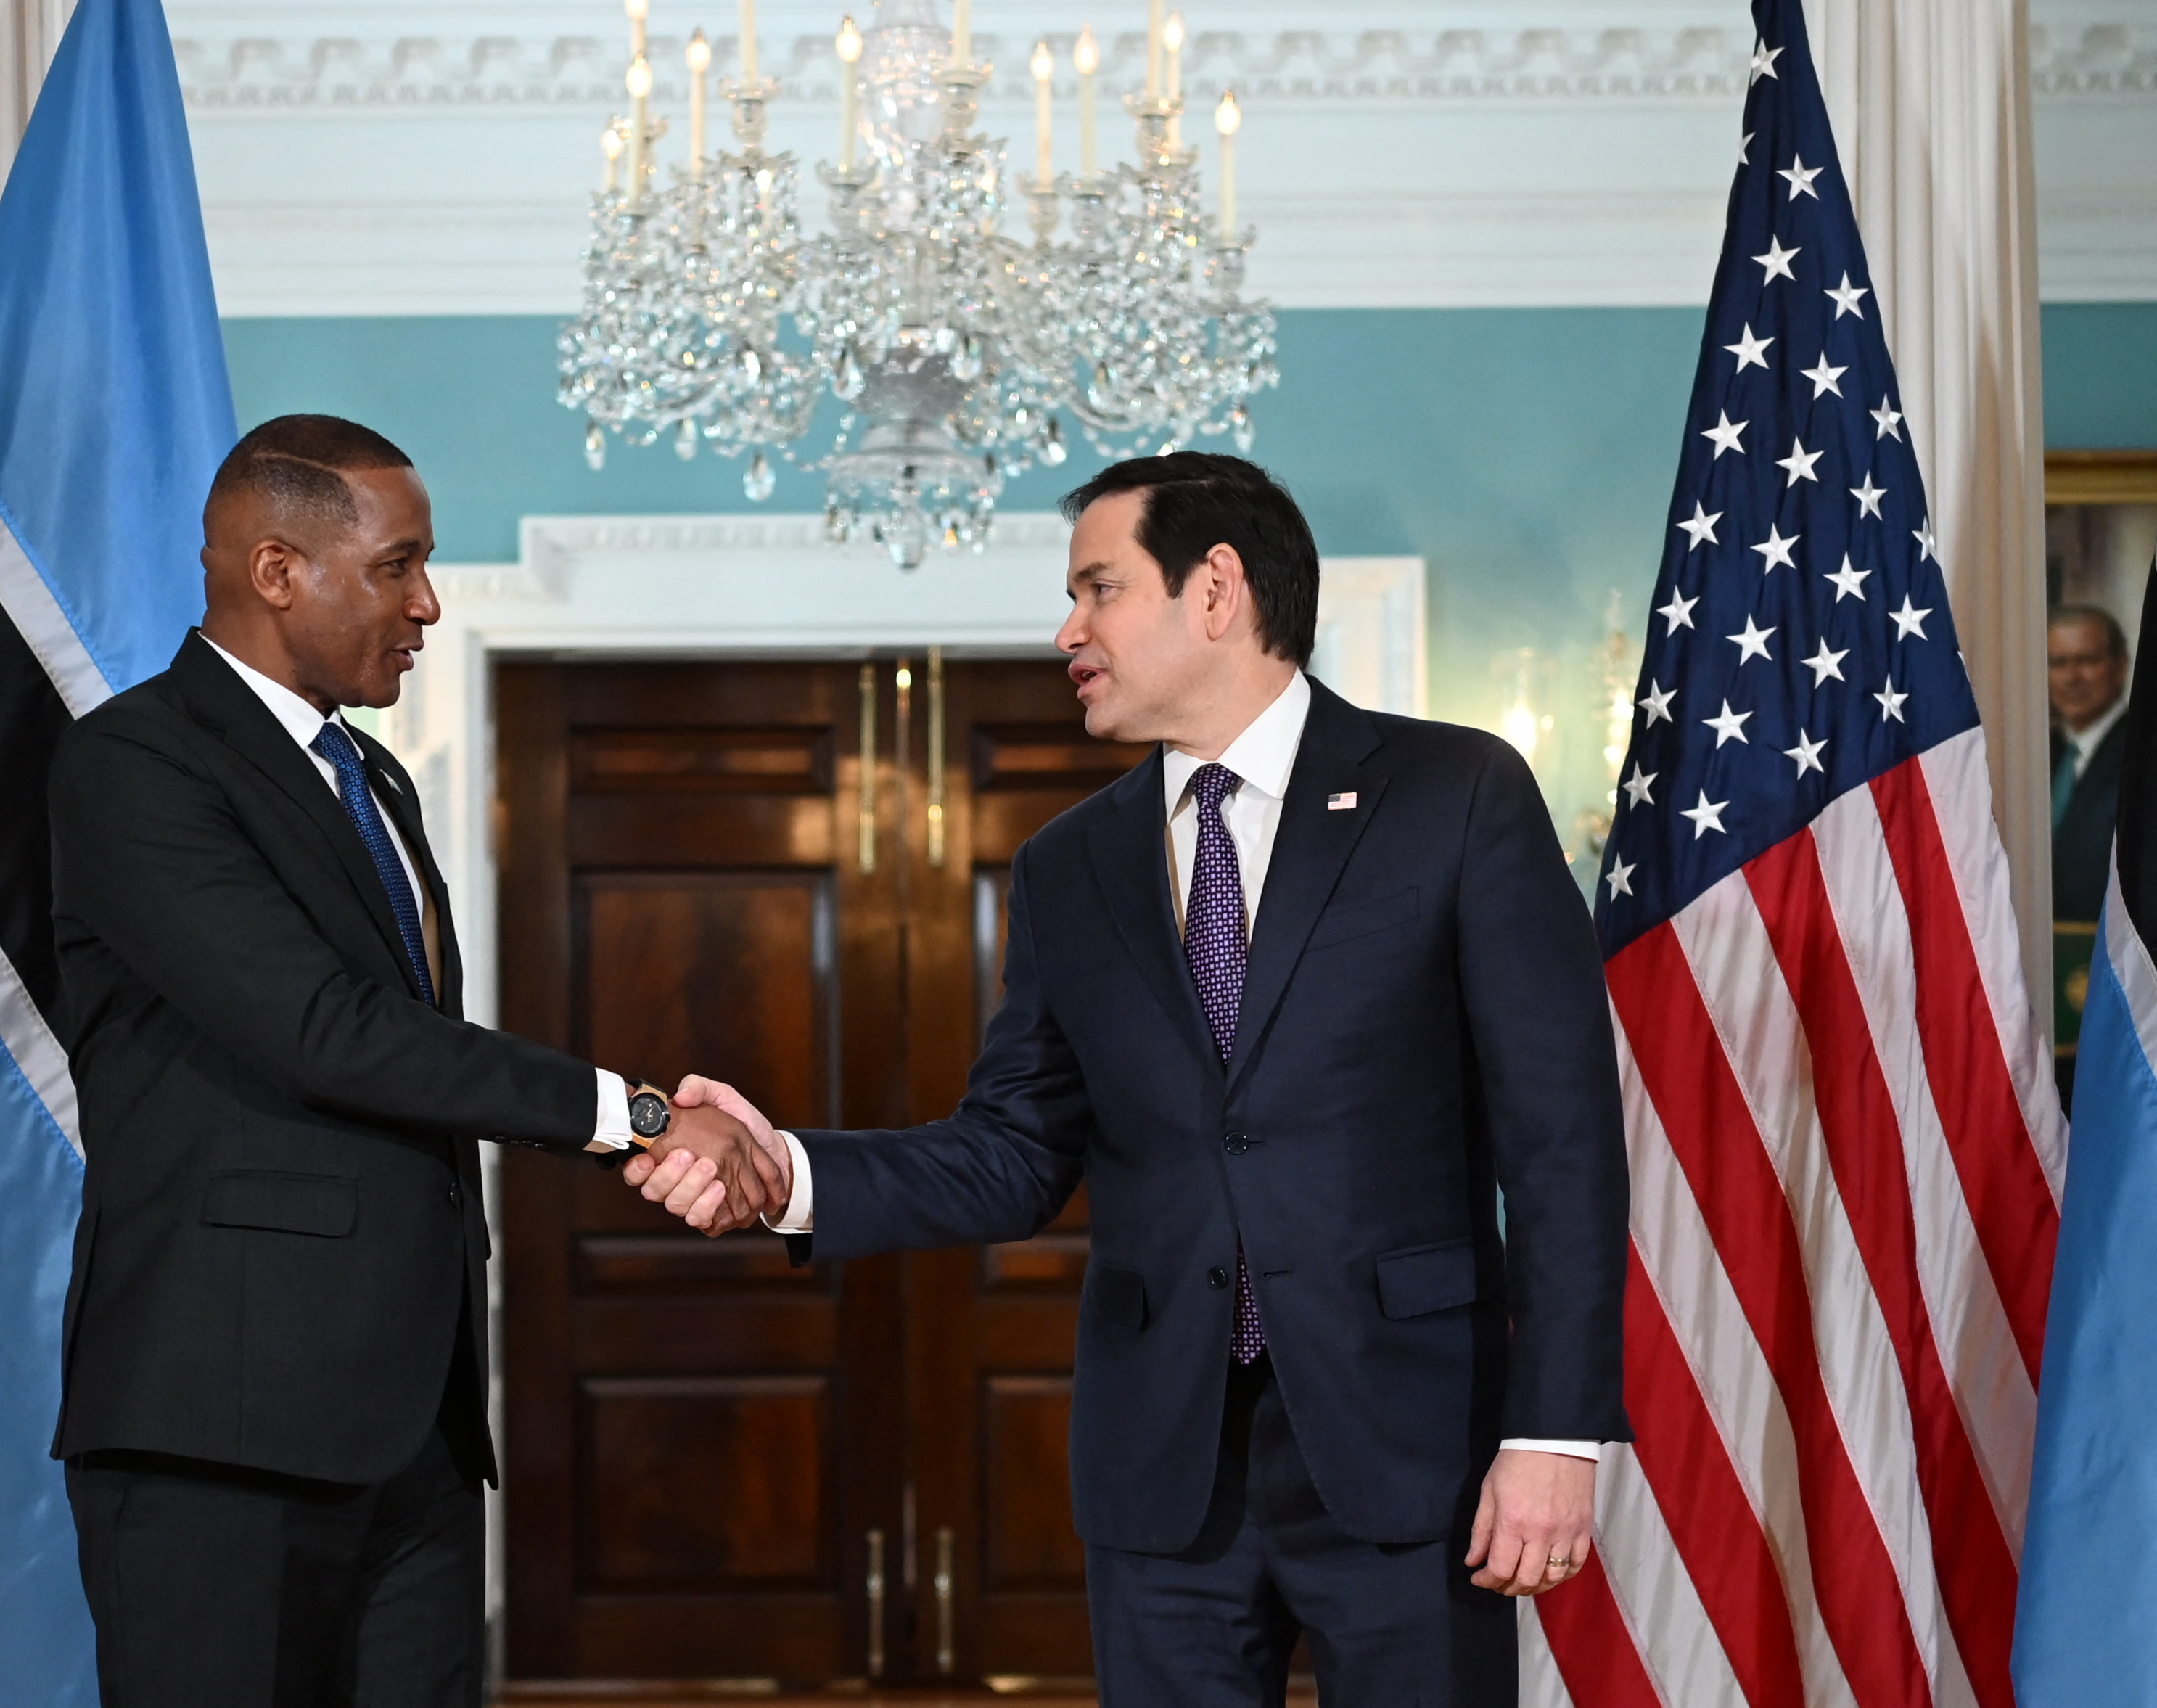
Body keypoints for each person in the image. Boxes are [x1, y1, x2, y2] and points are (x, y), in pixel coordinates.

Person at [634, 452, 1630, 1708]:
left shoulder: (1452, 793)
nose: (1068, 629)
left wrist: (1553, 1431)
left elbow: (1562, 1144)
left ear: (1213, 588)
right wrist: (786, 1170)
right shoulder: (1069, 862)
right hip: (1162, 1470)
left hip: (1412, 1448)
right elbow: (1010, 1148)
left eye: (1096, 588)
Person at [44, 414, 781, 1708]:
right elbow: (323, 1028)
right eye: (398, 564)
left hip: (414, 1434)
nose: (429, 602)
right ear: (277, 570)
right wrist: (639, 1112)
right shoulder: (136, 761)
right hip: (220, 1431)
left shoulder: (369, 776)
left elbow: (405, 1047)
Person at [2047, 602, 2132, 1104]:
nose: (2071, 677)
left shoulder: (2142, 754)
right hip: (2050, 1007)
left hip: (2114, 1005)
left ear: (2120, 664)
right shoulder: (2042, 752)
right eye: (2058, 662)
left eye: (2087, 660)